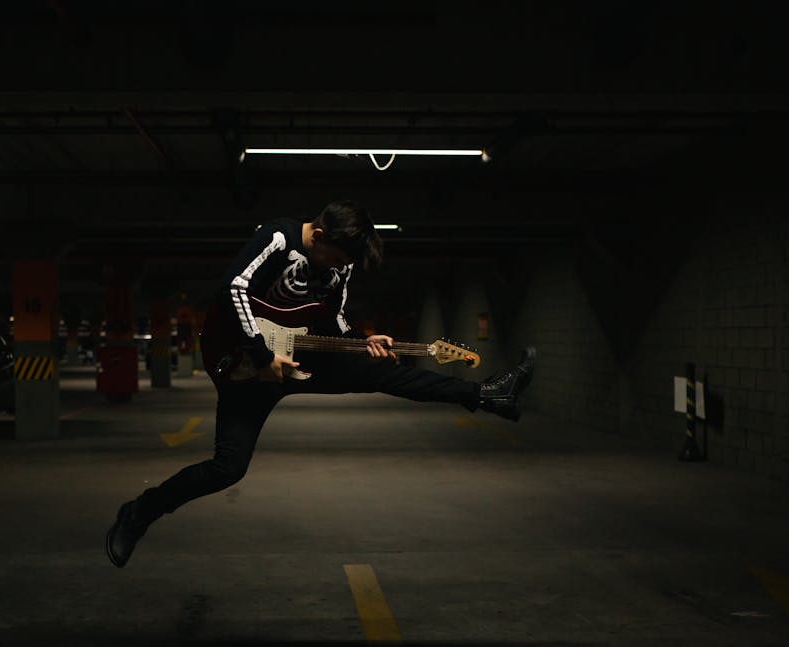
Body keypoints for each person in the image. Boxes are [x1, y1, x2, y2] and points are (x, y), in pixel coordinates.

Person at [106, 200, 535, 568]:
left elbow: (334, 315)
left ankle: (487, 394)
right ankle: (139, 513)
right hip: (243, 361)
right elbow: (232, 291)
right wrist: (260, 355)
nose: (341, 268)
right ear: (321, 234)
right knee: (227, 468)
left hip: (298, 353)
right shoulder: (279, 237)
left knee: (384, 372)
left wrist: (358, 343)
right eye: (338, 258)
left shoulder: (340, 265)